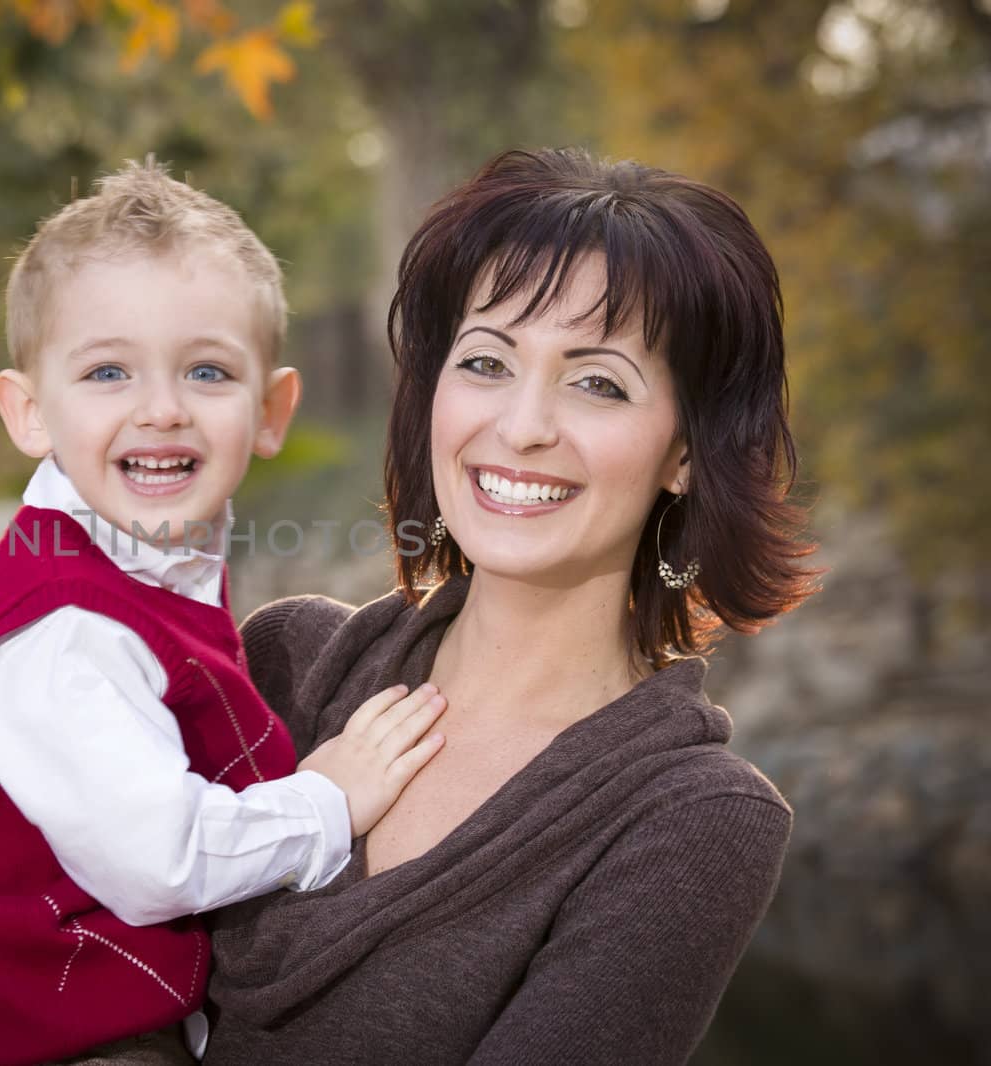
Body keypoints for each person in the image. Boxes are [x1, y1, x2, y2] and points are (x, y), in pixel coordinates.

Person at [203, 148, 819, 1064]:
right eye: (487, 361)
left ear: (687, 454)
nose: (523, 424)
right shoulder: (286, 664)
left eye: (597, 381)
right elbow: (71, 974)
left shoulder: (691, 819)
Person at [0, 161, 447, 1066]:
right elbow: (159, 859)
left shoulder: (156, 564)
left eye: (206, 371)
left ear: (270, 409)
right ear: (30, 412)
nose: (161, 409)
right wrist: (329, 801)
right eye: (108, 372)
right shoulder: (62, 636)